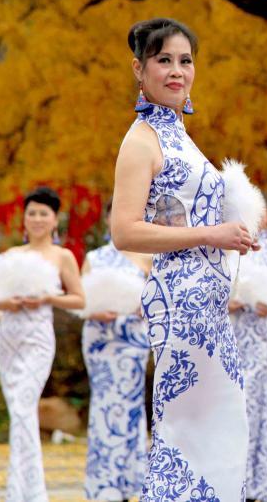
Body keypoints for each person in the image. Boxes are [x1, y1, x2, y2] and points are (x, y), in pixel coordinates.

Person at [110, 18, 255, 502]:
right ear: (139, 68)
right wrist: (211, 233)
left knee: (222, 428)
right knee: (188, 433)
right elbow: (124, 230)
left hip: (208, 302)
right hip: (179, 302)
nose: (177, 71)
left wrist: (231, 231)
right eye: (163, 60)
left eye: (185, 61)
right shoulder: (141, 140)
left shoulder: (179, 136)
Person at [0, 186, 85, 502]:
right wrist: (10, 302)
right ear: (25, 218)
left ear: (54, 220)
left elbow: (78, 298)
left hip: (37, 338)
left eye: (43, 213)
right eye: (31, 213)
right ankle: (28, 492)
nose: (36, 218)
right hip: (8, 337)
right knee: (19, 412)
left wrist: (48, 297)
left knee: (23, 406)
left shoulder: (62, 256)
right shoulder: (9, 256)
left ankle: (24, 493)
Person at [81, 201, 153, 501]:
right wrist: (93, 310)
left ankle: (131, 482)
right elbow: (80, 300)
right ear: (109, 218)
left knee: (132, 404)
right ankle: (103, 485)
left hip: (133, 340)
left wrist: (142, 308)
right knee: (103, 403)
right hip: (100, 340)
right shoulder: (94, 258)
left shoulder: (148, 257)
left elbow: (157, 302)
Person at [227, 210, 267, 502]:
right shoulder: (228, 246)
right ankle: (236, 482)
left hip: (262, 333)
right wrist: (228, 304)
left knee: (255, 400)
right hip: (233, 330)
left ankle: (256, 484)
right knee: (234, 401)